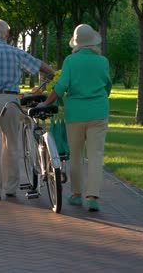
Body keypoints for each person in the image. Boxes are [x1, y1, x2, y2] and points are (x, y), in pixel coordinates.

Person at [0, 19, 55, 200]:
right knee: (12, 144)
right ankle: (10, 187)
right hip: (10, 100)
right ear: (7, 34)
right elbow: (39, 65)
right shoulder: (15, 52)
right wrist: (52, 73)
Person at [39, 24, 112, 211]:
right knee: (96, 155)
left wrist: (46, 103)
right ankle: (93, 196)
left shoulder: (71, 61)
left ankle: (77, 194)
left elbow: (61, 86)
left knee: (76, 155)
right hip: (98, 112)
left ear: (76, 43)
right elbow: (107, 86)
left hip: (76, 114)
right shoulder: (102, 61)